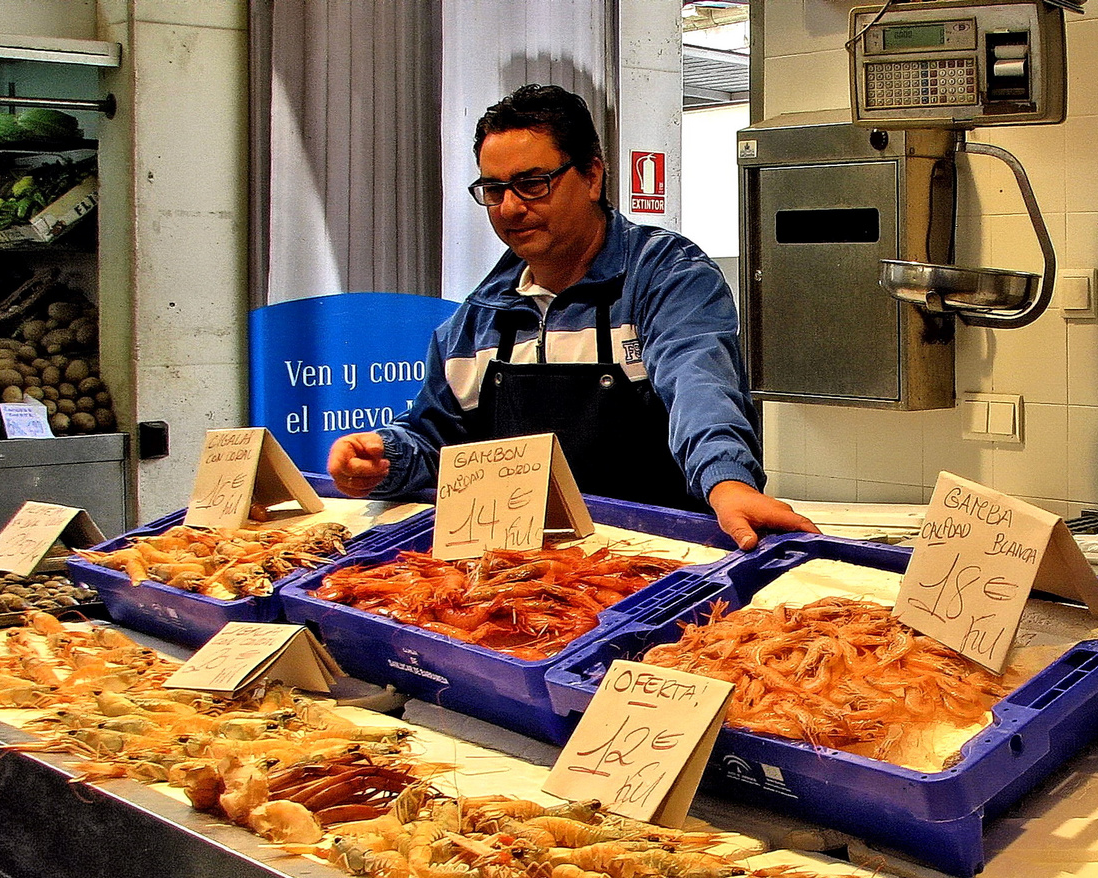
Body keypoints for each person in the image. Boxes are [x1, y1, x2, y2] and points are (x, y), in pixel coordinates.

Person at [327, 83, 815, 551]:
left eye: (532, 184)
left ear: (593, 176)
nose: (512, 208)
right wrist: (384, 457)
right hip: (524, 570)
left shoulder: (664, 277)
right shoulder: (477, 320)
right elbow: (437, 442)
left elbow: (700, 386)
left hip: (662, 561)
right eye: (494, 190)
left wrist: (727, 482)